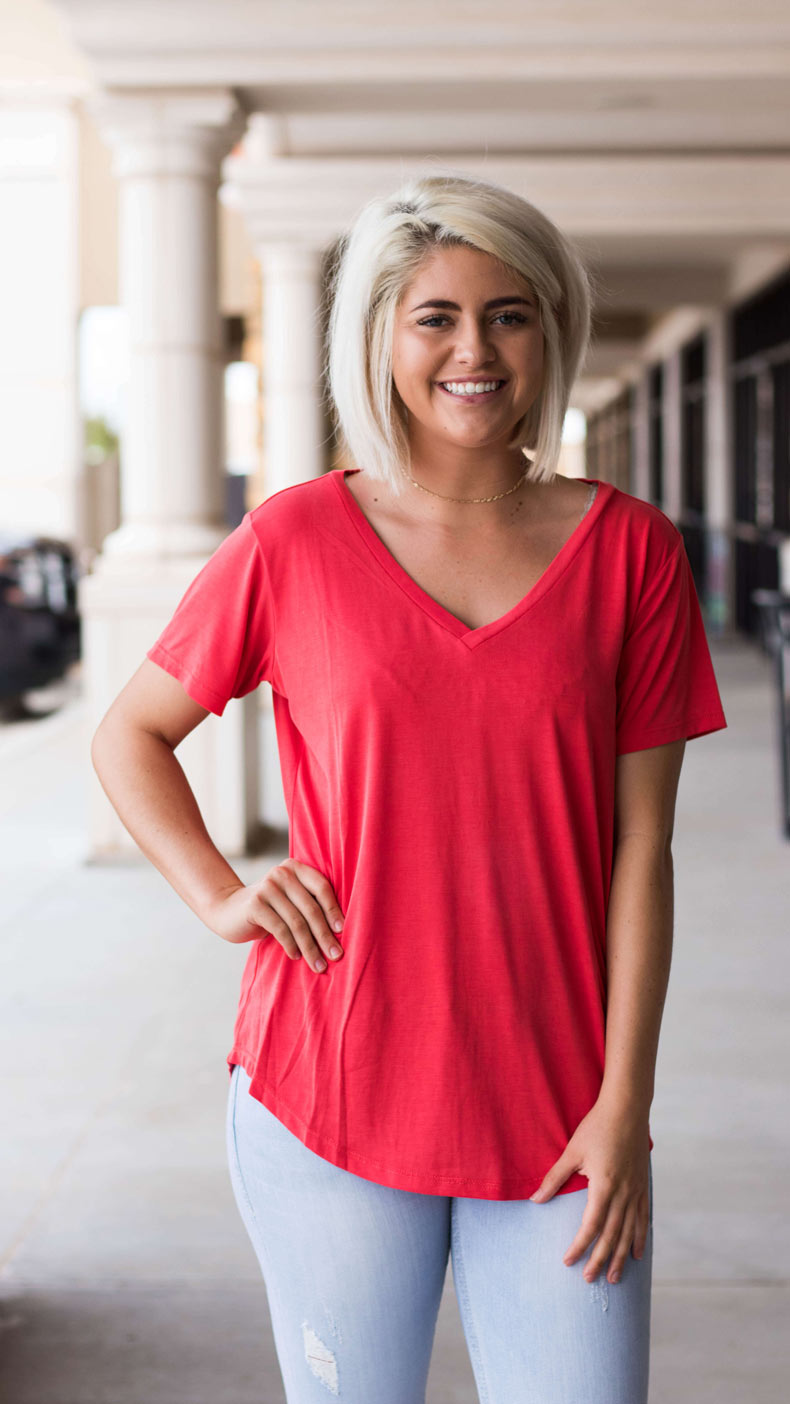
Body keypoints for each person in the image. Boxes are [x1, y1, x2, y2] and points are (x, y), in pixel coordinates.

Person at [91, 172, 728, 1404]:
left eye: (509, 312)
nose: (473, 349)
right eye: (434, 315)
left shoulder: (631, 552)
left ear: (550, 329)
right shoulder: (293, 542)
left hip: (559, 1107)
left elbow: (641, 851)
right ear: (379, 336)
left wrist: (624, 1105)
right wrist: (224, 896)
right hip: (328, 1088)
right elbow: (131, 734)